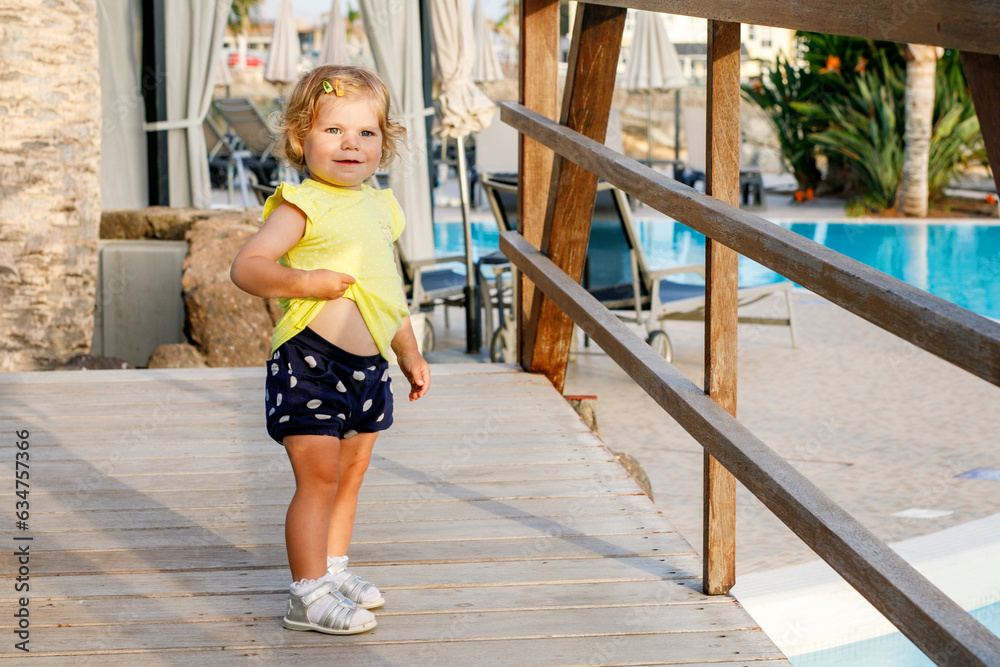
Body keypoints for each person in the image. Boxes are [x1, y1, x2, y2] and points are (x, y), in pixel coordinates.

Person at [230, 65, 430, 636]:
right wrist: (306, 281)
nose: (351, 144)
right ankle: (305, 594)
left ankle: (333, 567)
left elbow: (386, 292)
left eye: (365, 133)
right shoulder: (300, 204)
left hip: (368, 368)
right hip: (309, 363)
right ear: (301, 138)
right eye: (333, 130)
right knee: (317, 478)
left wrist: (408, 352)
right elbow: (247, 267)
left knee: (351, 474)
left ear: (383, 144)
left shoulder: (381, 207)